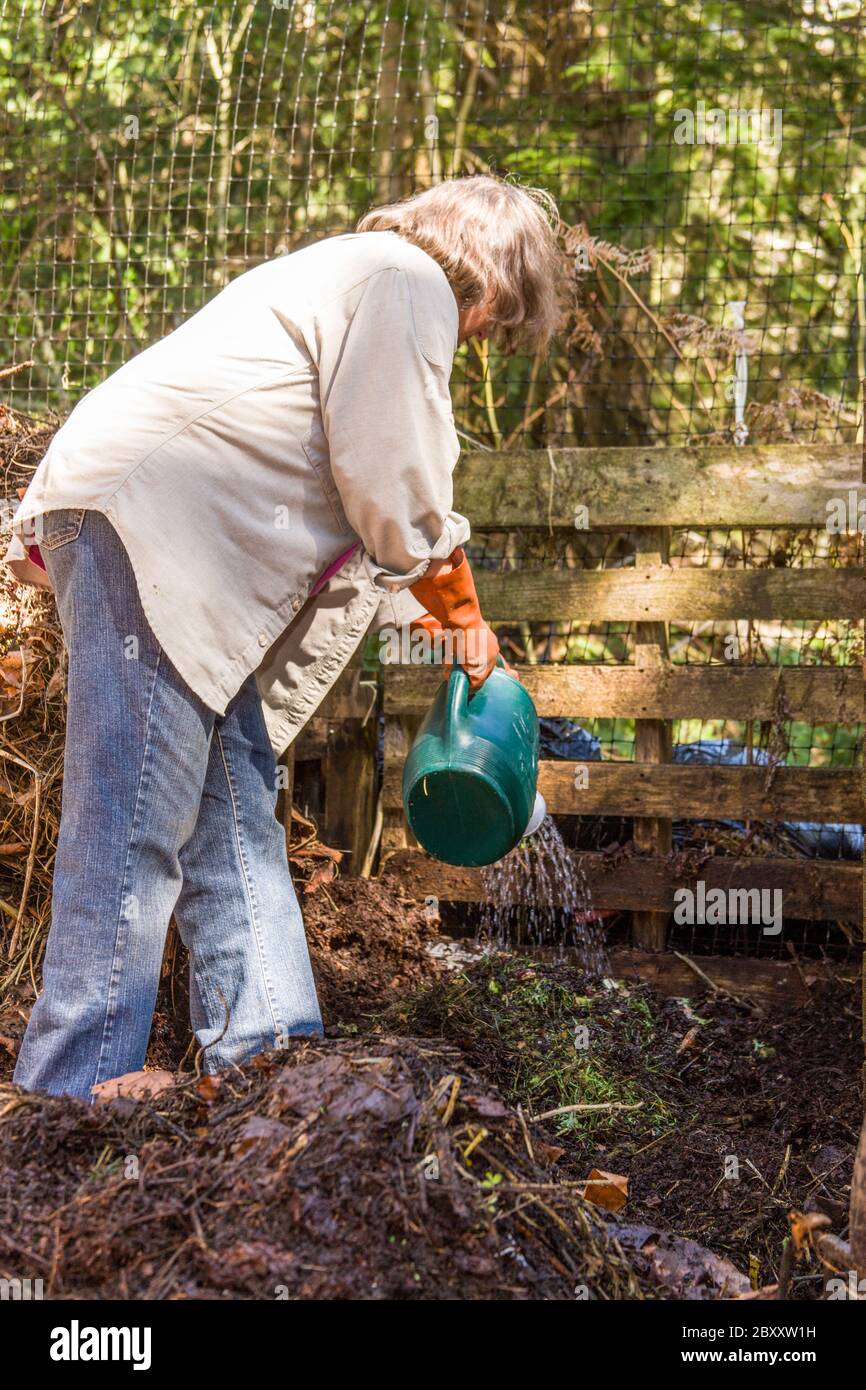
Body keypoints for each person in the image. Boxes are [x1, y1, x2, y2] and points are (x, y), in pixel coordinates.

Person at [4, 175, 562, 1101]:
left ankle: (275, 1072)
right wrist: (461, 608)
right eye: (498, 327)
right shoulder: (402, 279)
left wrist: (426, 601)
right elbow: (394, 483)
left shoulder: (351, 277)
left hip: (165, 544)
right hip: (156, 535)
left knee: (234, 810)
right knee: (131, 825)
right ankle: (64, 1101)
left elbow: (352, 517)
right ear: (495, 288)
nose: (484, 342)